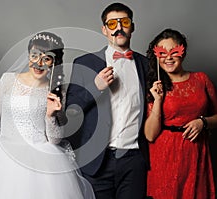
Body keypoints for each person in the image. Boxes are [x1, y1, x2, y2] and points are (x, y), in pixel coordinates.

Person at [0, 31, 95, 199]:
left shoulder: (57, 91)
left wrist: (51, 115)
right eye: (35, 56)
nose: (39, 63)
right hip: (3, 157)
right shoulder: (8, 80)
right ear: (29, 55)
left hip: (42, 161)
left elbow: (55, 139)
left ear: (53, 63)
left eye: (47, 58)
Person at [65, 2, 149, 199]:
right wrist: (95, 87)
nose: (118, 28)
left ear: (132, 27)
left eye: (124, 22)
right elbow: (70, 111)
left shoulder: (146, 65)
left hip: (134, 160)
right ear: (104, 30)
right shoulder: (85, 63)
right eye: (112, 24)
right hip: (97, 162)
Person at [145, 28, 217, 198]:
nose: (168, 57)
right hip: (165, 155)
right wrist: (157, 100)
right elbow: (149, 135)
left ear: (183, 53)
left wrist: (203, 122)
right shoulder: (155, 85)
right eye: (162, 53)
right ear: (156, 56)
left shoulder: (201, 79)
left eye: (174, 52)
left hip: (196, 152)